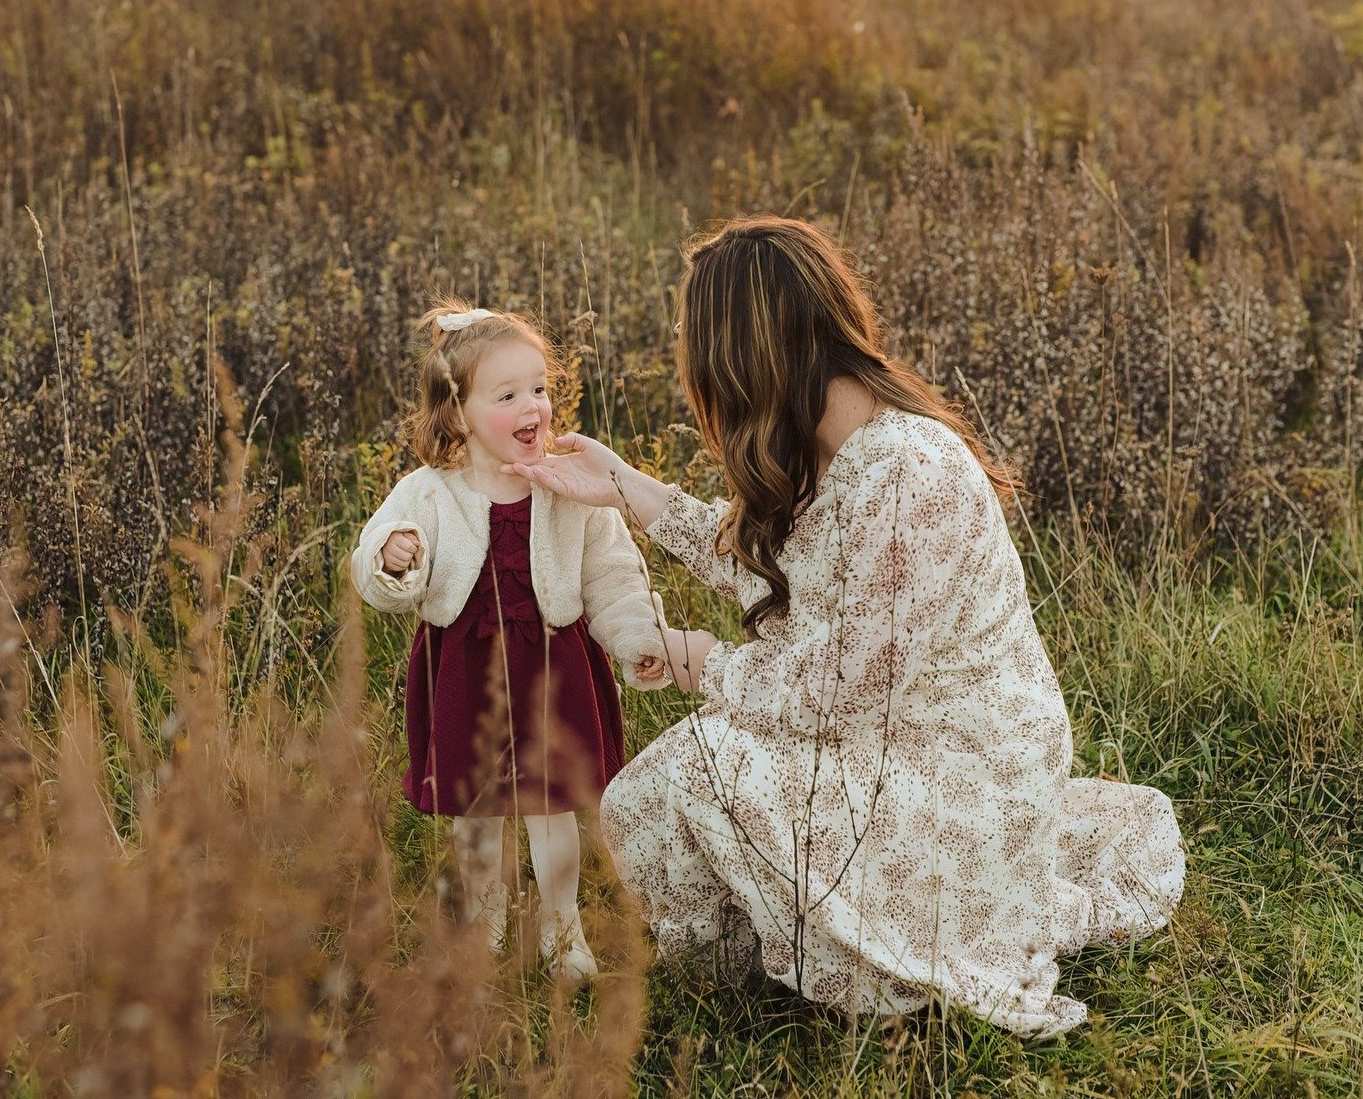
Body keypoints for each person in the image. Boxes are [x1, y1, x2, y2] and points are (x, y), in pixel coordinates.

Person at [503, 217, 1185, 1036]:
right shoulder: (835, 450)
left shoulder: (908, 472)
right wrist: (621, 485)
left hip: (960, 770)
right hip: (889, 739)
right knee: (647, 799)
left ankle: (879, 970)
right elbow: (781, 576)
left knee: (702, 767)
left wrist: (701, 663)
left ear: (746, 356)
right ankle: (756, 973)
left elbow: (834, 695)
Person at [351, 301, 670, 982]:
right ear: (459, 414)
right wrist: (393, 556)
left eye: (539, 388)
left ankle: (563, 930)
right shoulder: (429, 492)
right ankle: (484, 921)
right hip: (465, 670)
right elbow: (372, 564)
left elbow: (611, 572)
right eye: (507, 395)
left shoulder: (566, 486)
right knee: (477, 812)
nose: (533, 406)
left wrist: (636, 633)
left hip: (553, 666)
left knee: (552, 808)